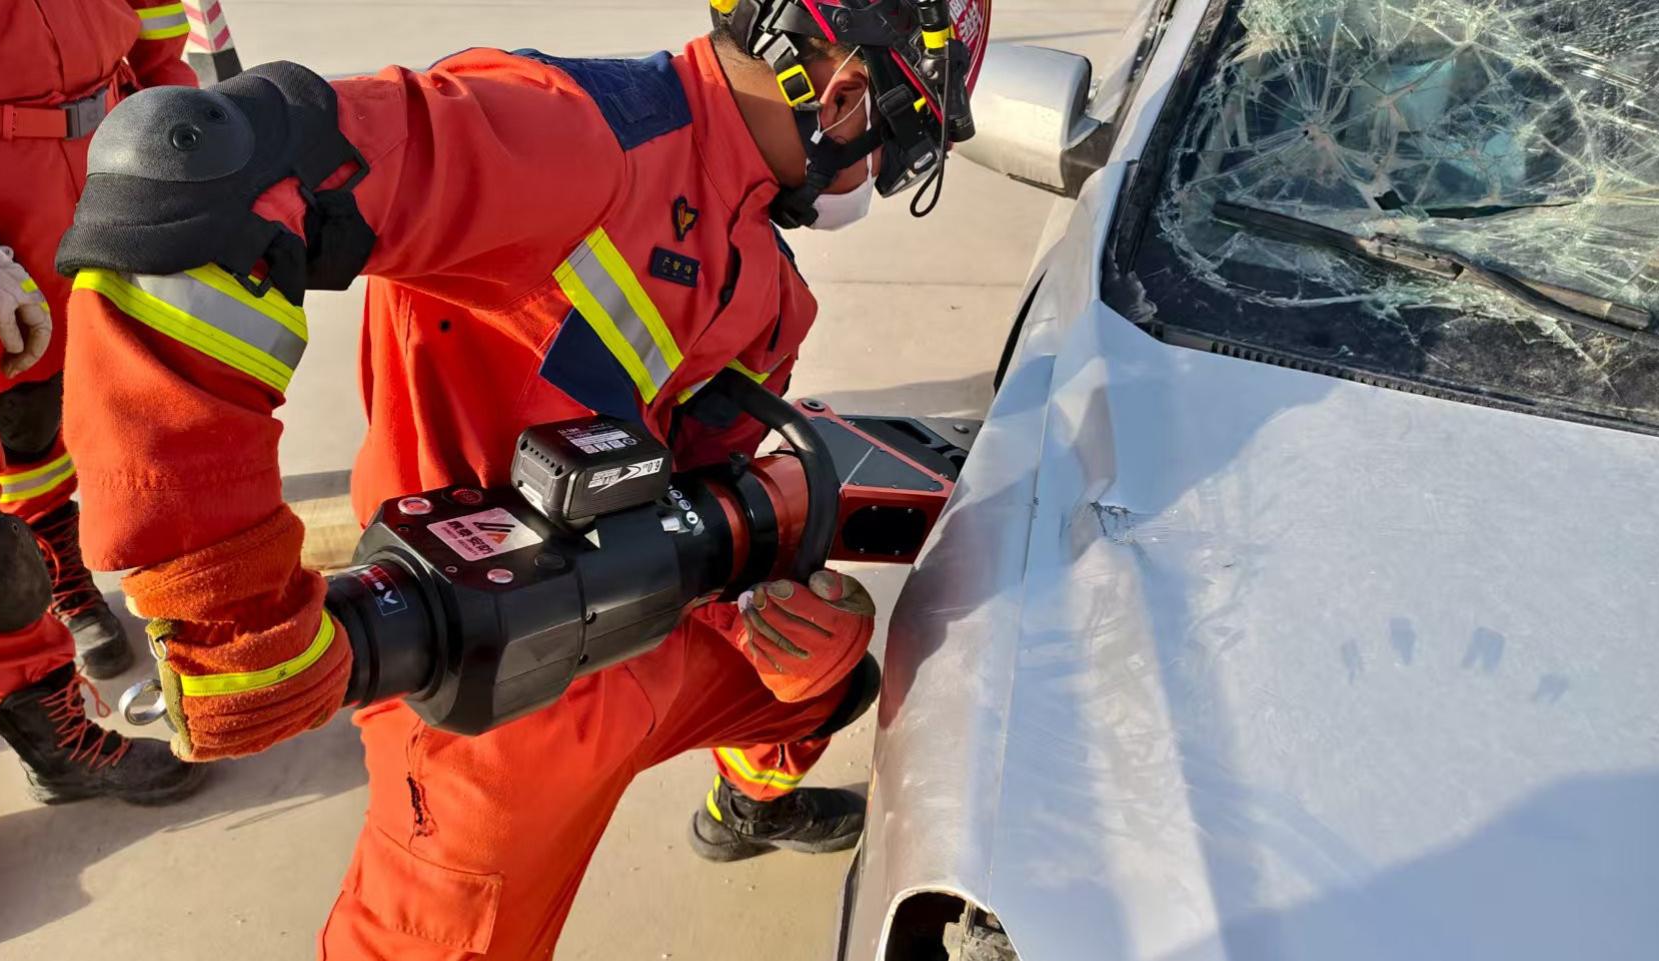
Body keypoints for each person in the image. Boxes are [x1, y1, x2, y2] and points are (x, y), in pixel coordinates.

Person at [55, 0, 989, 954]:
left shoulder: (770, 286)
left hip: (645, 632)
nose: (874, 175)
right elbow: (194, 164)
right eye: (897, 140)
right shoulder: (568, 135)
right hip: (488, 701)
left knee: (826, 686)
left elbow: (698, 484)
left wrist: (766, 608)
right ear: (842, 98)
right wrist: (229, 607)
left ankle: (745, 807)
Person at [0, 0, 205, 805]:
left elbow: (159, 31)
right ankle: (62, 592)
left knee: (125, 400)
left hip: (108, 173)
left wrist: (191, 137)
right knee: (13, 440)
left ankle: (122, 575)